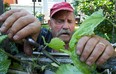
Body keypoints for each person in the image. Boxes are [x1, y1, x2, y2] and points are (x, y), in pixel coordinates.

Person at [0, 2, 115, 66]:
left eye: (70, 21)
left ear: (75, 23)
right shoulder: (40, 39)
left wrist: (105, 53)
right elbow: (13, 48)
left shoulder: (84, 42)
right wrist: (21, 34)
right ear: (50, 24)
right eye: (60, 21)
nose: (65, 26)